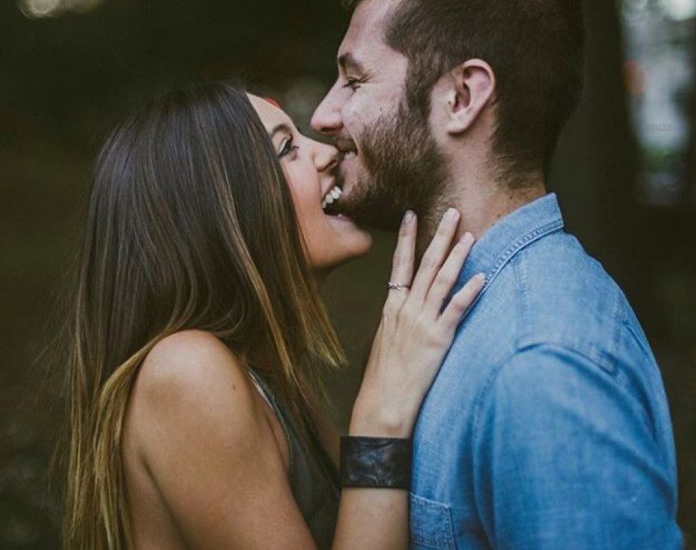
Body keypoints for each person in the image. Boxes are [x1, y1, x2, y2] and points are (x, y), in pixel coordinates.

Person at [311, 0, 682, 548]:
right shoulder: (456, 315)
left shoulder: (539, 360)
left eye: (353, 80)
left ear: (461, 97)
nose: (324, 115)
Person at [60, 82, 485, 549]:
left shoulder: (270, 374)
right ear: (222, 212)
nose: (325, 153)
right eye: (287, 148)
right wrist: (381, 415)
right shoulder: (186, 371)